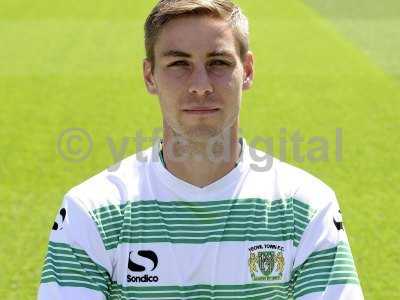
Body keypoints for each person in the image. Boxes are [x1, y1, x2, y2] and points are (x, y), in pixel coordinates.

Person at [38, 0, 364, 299]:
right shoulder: (93, 211)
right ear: (150, 76)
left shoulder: (305, 207)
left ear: (246, 71)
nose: (200, 85)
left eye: (218, 62)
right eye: (179, 64)